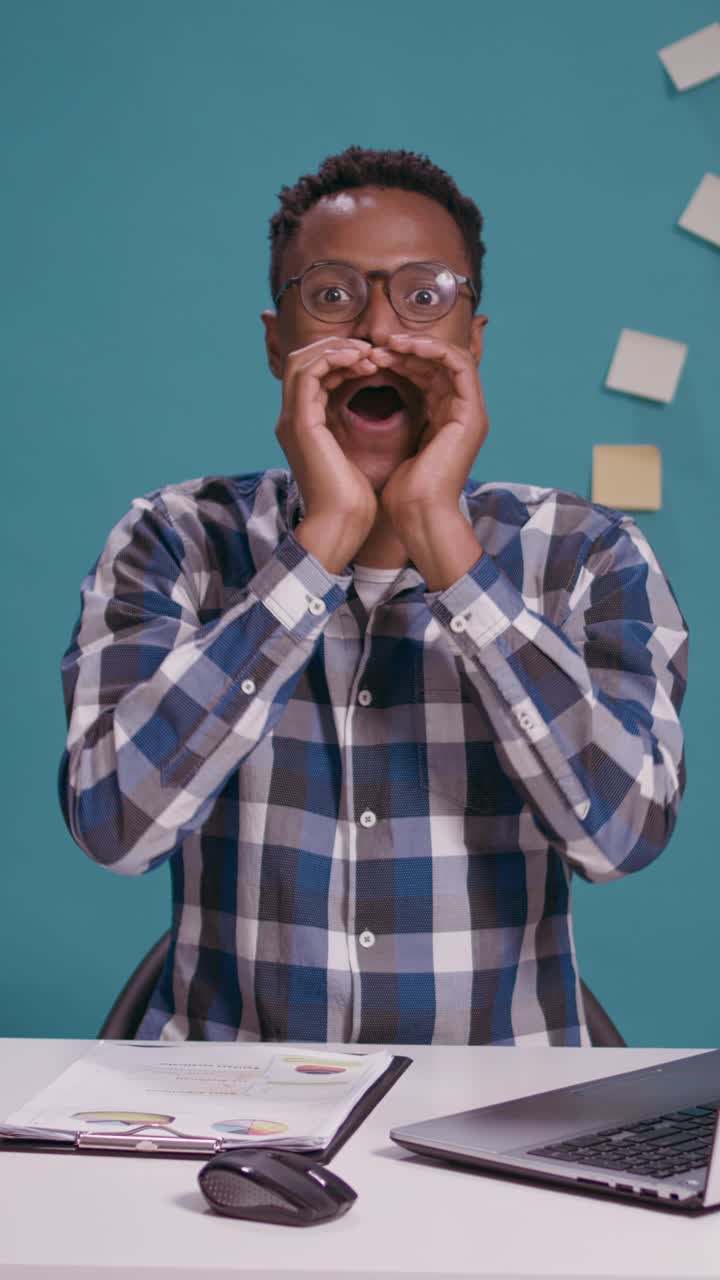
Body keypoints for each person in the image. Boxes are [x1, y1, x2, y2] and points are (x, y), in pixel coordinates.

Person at [59, 145, 688, 1044]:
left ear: (474, 339)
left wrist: (445, 542)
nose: (381, 333)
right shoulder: (174, 540)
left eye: (424, 296)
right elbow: (113, 827)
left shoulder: (588, 555)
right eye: (333, 295)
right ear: (278, 338)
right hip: (227, 1116)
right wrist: (319, 548)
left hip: (497, 1109)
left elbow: (624, 839)